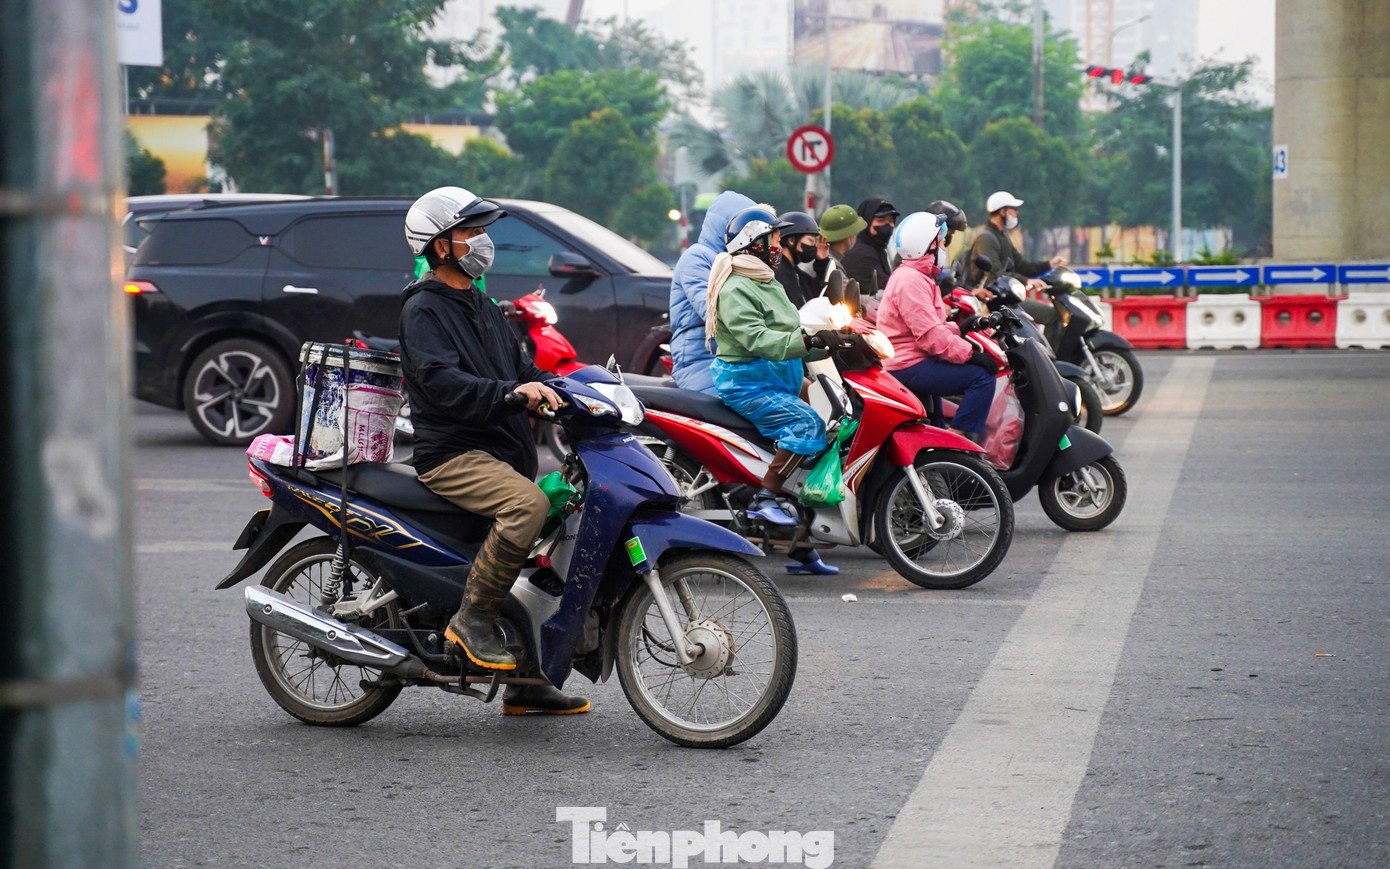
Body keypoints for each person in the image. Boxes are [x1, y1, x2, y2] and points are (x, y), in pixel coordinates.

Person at [398, 185, 589, 716]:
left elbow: (521, 370)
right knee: (526, 506)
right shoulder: (424, 309)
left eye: (483, 231)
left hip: (500, 451)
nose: (483, 241)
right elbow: (442, 384)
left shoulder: (480, 302)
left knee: (569, 514)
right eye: (471, 232)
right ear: (442, 247)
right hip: (453, 453)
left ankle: (527, 681)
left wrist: (571, 388)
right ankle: (472, 620)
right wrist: (510, 395)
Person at [708, 205, 843, 529]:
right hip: (749, 381)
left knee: (835, 413)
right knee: (808, 424)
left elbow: (790, 332)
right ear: (754, 243)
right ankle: (765, 498)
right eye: (774, 239)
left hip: (778, 375)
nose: (778, 247)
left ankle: (801, 535)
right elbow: (758, 339)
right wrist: (807, 342)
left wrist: (835, 342)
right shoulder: (736, 287)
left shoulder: (766, 281)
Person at [877, 211, 998, 442]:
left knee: (935, 427)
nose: (944, 248)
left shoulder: (917, 276)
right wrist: (969, 354)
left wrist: (959, 329)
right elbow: (930, 337)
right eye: (941, 243)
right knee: (982, 377)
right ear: (927, 247)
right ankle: (957, 440)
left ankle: (945, 451)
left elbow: (932, 327)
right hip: (908, 364)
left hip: (915, 358)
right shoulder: (910, 281)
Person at [669, 191, 755, 395]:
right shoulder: (697, 258)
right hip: (701, 361)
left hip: (737, 362)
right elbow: (713, 312)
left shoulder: (742, 263)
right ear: (728, 227)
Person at [964, 191, 1067, 335]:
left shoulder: (1001, 236)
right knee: (1052, 316)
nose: (1016, 214)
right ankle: (1051, 358)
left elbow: (1021, 265)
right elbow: (996, 274)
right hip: (992, 302)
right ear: (1003, 211)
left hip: (1008, 298)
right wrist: (1026, 281)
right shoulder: (986, 239)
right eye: (1013, 209)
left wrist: (1049, 264)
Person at [774, 210, 836, 308]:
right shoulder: (778, 273)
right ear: (792, 240)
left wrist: (822, 262)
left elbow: (820, 298)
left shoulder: (797, 273)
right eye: (811, 240)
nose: (814, 246)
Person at [841, 198, 899, 293]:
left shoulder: (878, 250)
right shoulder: (860, 255)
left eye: (891, 221)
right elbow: (889, 289)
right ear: (866, 222)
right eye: (881, 220)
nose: (887, 225)